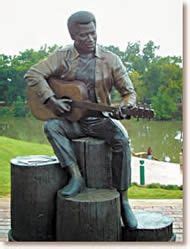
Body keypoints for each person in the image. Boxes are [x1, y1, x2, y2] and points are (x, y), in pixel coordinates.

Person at [24, 11, 137, 229]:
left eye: (93, 33)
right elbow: (33, 74)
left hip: (99, 119)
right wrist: (51, 99)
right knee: (51, 127)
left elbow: (129, 93)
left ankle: (123, 199)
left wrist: (125, 106)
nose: (90, 39)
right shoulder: (63, 56)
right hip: (72, 120)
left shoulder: (111, 59)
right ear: (72, 35)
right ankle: (75, 176)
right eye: (83, 35)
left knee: (122, 141)